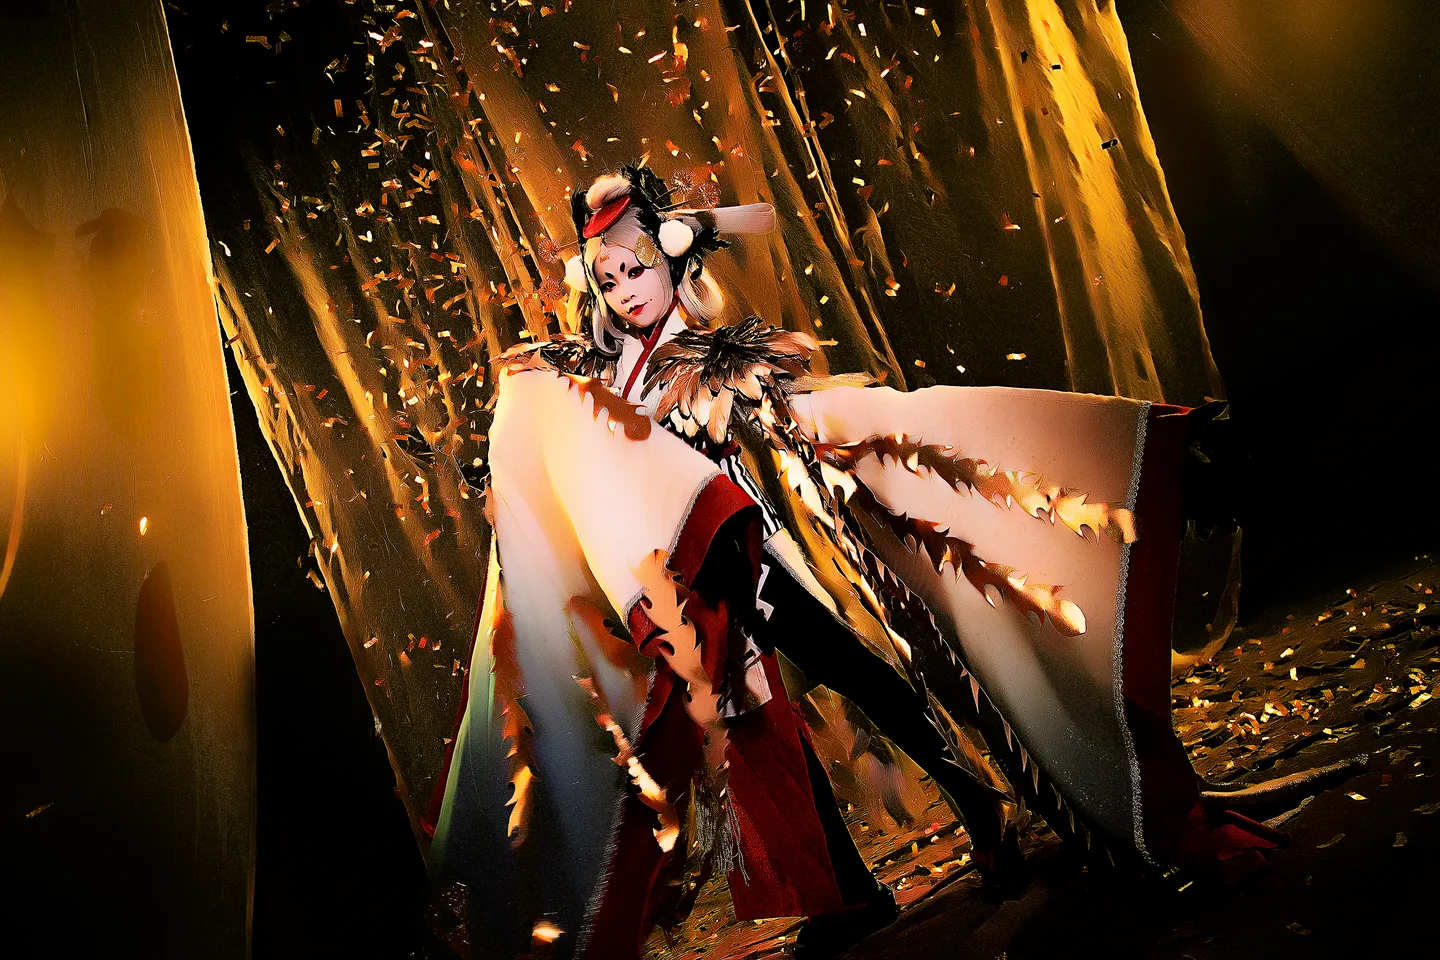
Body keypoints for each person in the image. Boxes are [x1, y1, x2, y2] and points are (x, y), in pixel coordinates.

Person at [430, 164, 1283, 960]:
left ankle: (979, 806)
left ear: (673, 262)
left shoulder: (716, 355)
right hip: (693, 585)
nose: (626, 290)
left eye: (638, 269)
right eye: (610, 279)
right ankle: (846, 896)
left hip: (757, 556)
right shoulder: (605, 374)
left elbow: (795, 428)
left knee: (868, 682)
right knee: (765, 733)